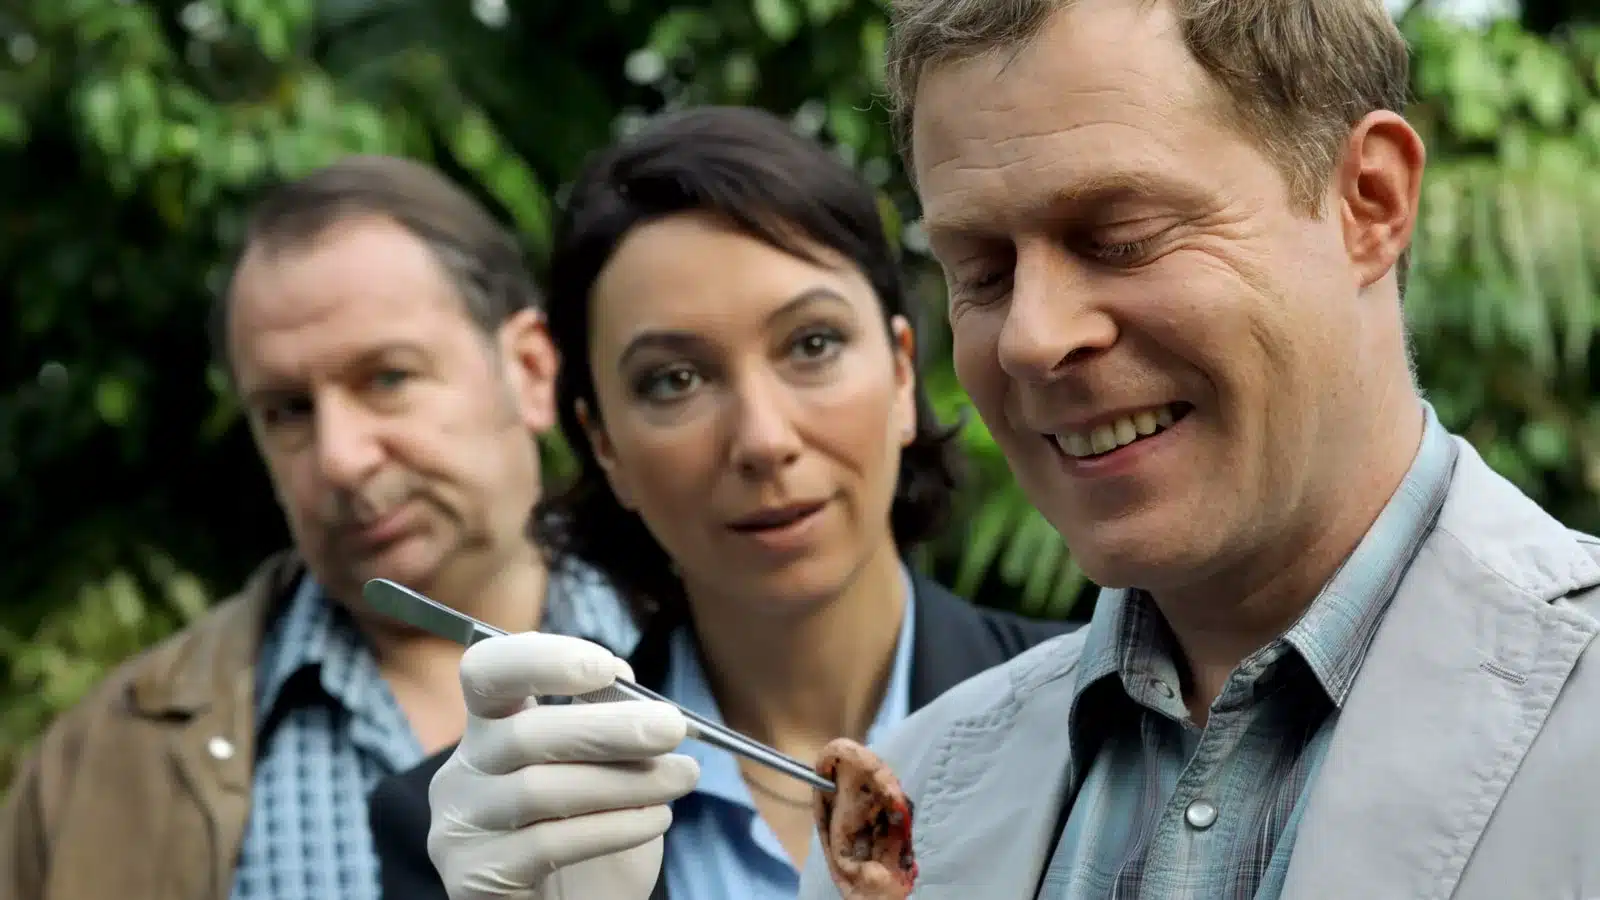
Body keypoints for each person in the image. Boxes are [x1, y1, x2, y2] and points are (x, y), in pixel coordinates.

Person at [417, 1, 1600, 899]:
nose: (1032, 337)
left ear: (1367, 203)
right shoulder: (916, 787)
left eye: (1121, 235)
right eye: (980, 270)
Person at [367, 105, 1075, 900]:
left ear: (903, 372)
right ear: (604, 444)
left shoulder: (1103, 721)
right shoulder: (493, 833)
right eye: (674, 380)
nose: (763, 440)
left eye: (812, 344)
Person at [0, 156, 638, 900]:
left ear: (529, 371)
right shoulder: (105, 768)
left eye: (388, 377)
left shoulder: (717, 654)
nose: (339, 458)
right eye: (288, 411)